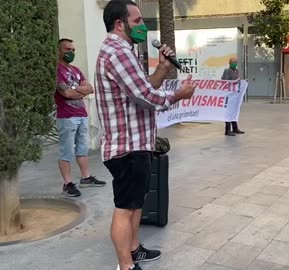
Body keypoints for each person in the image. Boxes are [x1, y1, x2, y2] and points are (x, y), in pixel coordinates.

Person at [95, 1, 196, 270]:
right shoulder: (118, 52)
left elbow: (143, 86)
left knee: (136, 205)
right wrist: (178, 96)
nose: (143, 26)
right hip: (126, 147)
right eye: (137, 21)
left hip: (136, 143)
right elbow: (146, 96)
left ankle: (134, 248)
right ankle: (126, 266)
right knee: (125, 208)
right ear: (120, 24)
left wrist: (163, 68)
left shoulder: (124, 51)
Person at [55, 38, 106, 197]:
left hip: (82, 115)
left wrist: (75, 88)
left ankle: (86, 177)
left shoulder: (76, 70)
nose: (71, 52)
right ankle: (68, 183)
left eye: (73, 50)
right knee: (66, 151)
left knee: (83, 149)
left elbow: (90, 88)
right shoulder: (56, 70)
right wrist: (78, 90)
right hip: (66, 117)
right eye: (67, 49)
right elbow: (66, 93)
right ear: (59, 50)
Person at [222, 57, 245, 136]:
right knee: (228, 112)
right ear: (230, 63)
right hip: (229, 95)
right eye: (233, 62)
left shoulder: (237, 71)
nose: (235, 63)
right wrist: (235, 81)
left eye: (235, 62)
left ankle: (235, 128)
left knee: (234, 111)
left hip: (235, 95)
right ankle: (227, 130)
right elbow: (225, 81)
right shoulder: (227, 71)